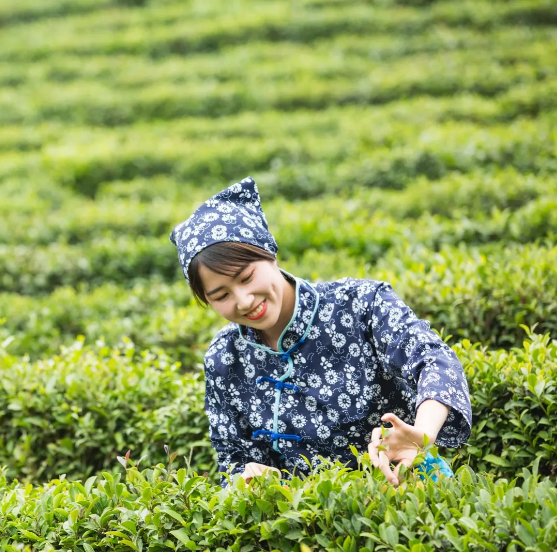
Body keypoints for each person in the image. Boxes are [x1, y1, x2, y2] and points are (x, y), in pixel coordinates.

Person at [169, 177, 471, 487]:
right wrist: (250, 478)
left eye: (246, 278)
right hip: (305, 519)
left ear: (268, 252)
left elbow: (434, 360)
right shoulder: (224, 358)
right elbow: (233, 456)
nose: (243, 301)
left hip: (403, 485)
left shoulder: (361, 304)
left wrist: (421, 432)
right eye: (221, 296)